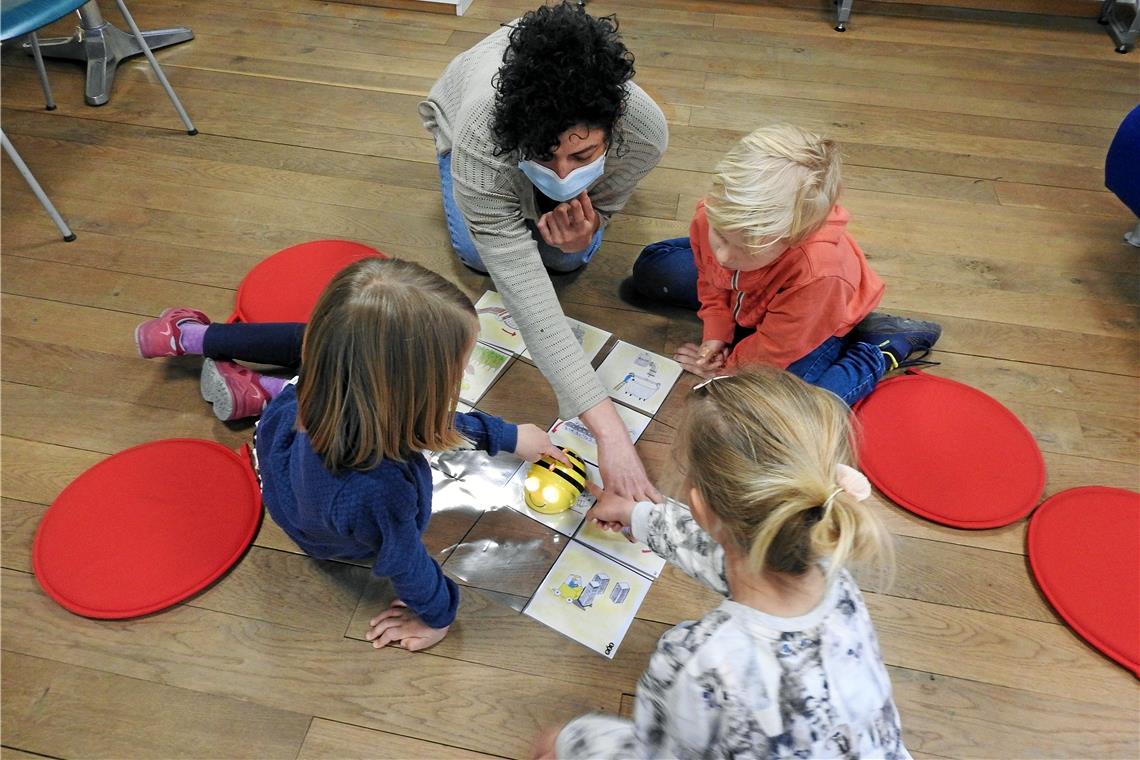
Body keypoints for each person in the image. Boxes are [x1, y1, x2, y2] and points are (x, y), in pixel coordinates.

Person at [136, 258, 564, 651]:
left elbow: (420, 421)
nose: (464, 374)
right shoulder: (380, 488)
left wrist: (505, 436)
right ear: (406, 392)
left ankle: (218, 360)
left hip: (284, 431)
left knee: (312, 349)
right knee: (389, 514)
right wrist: (439, 618)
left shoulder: (342, 377)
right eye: (458, 368)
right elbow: (406, 560)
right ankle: (255, 391)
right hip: (322, 531)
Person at [534, 369, 909, 758]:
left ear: (700, 508)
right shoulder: (829, 561)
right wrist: (639, 516)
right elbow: (726, 552)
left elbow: (653, 754)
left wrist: (573, 740)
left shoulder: (697, 660)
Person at [420, 1, 668, 499]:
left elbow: (603, 204)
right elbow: (526, 297)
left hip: (535, 138)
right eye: (542, 155)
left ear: (613, 125)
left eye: (582, 155)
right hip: (468, 131)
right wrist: (609, 431)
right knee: (476, 255)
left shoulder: (643, 134)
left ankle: (557, 192)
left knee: (568, 255)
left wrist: (589, 229)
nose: (560, 174)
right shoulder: (480, 134)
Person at [629, 124, 941, 405]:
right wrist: (716, 331)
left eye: (746, 248)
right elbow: (710, 278)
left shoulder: (817, 274)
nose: (723, 257)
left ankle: (876, 349)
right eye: (720, 236)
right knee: (654, 270)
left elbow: (776, 347)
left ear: (794, 238)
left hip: (815, 318)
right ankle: (743, 316)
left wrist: (727, 368)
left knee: (797, 405)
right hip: (752, 298)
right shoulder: (713, 214)